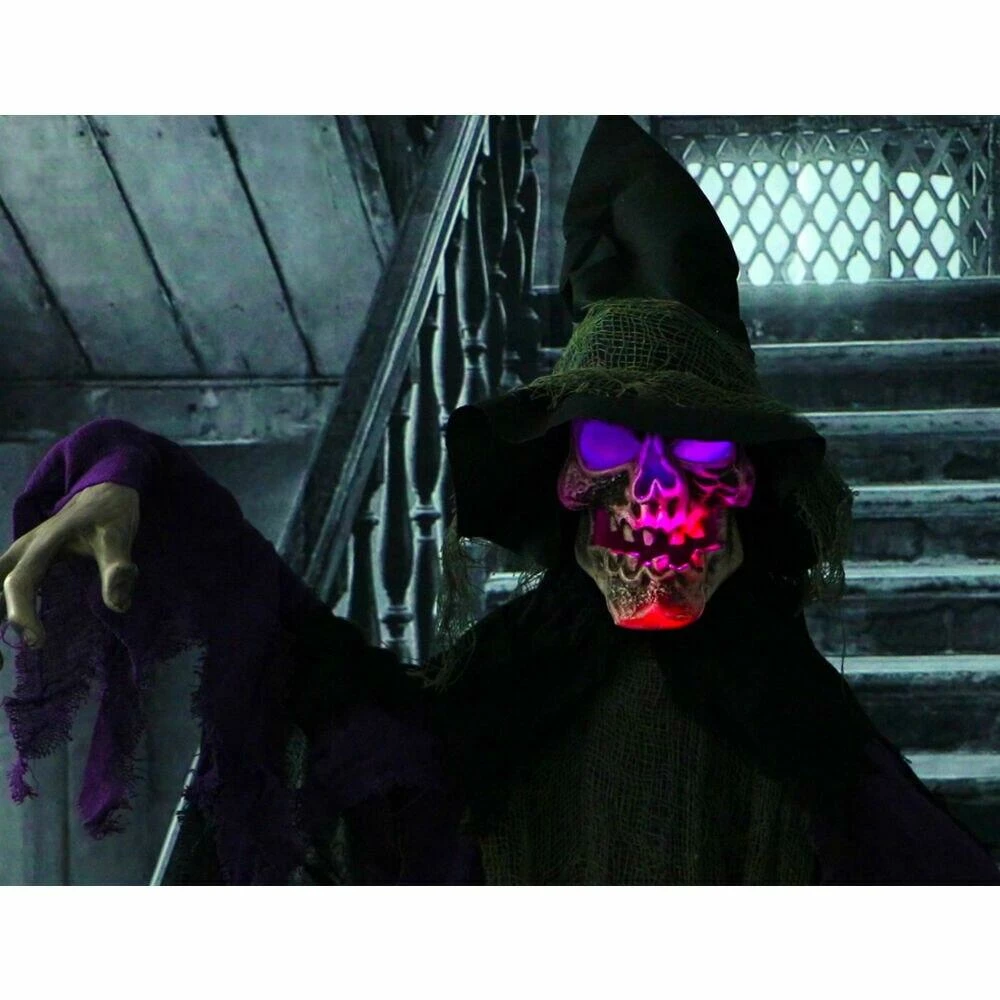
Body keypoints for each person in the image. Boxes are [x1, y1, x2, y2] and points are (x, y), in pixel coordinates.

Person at [2, 116, 997, 885]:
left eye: (696, 449)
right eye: (612, 445)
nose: (655, 490)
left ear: (746, 487)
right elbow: (314, 678)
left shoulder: (801, 722)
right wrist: (133, 473)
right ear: (564, 482)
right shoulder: (505, 683)